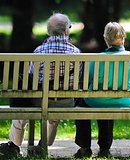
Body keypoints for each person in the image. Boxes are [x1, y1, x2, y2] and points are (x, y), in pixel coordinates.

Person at [0, 13, 82, 157]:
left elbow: (33, 77)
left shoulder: (39, 51)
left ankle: (14, 145)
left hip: (39, 101)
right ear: (67, 31)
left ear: (49, 32)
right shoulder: (76, 52)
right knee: (54, 115)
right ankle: (43, 145)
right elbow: (78, 78)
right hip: (66, 102)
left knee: (22, 111)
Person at [74, 22, 130, 158]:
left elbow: (89, 79)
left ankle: (84, 148)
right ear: (123, 38)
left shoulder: (97, 59)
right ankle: (104, 148)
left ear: (106, 40)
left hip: (96, 100)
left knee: (82, 105)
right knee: (108, 102)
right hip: (125, 100)